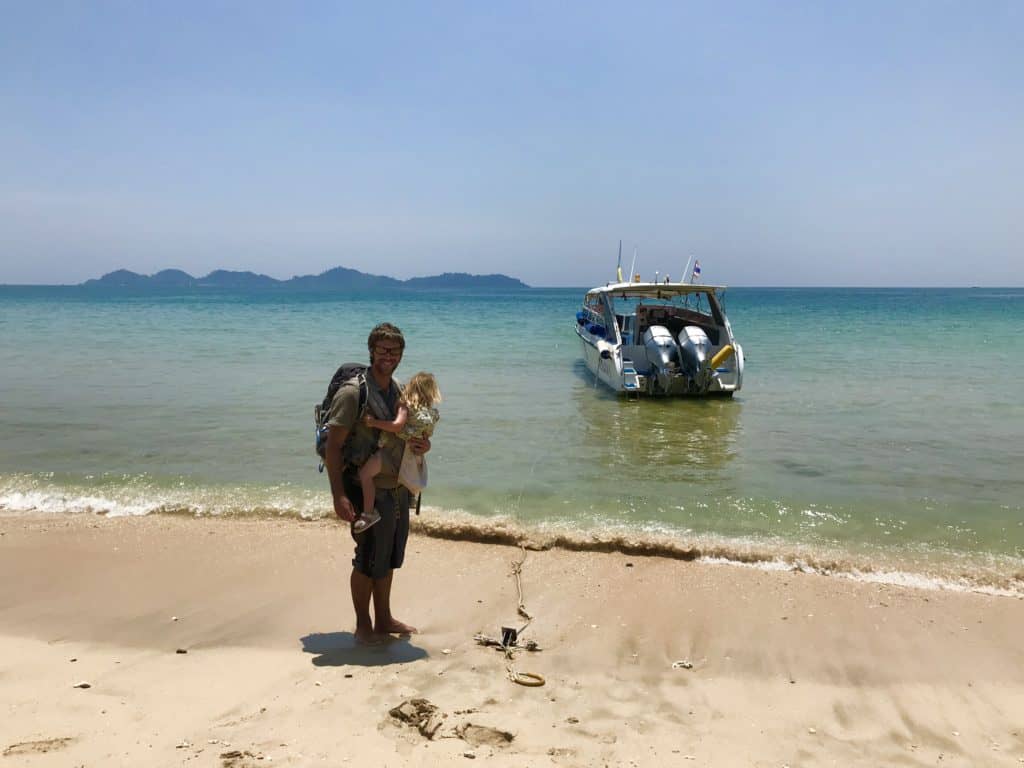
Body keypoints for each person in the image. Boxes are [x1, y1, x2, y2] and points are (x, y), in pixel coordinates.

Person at [322, 323, 430, 644]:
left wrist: (424, 446)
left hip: (395, 487)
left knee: (389, 557)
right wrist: (338, 495)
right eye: (382, 349)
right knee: (367, 558)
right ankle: (363, 624)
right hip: (364, 487)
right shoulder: (354, 393)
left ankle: (383, 618)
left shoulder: (398, 389)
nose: (388, 356)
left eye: (394, 351)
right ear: (371, 350)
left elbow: (408, 433)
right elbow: (333, 447)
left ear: (400, 355)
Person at [354, 371, 441, 534]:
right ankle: (411, 496)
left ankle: (368, 514)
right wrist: (426, 445)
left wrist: (373, 422)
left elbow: (397, 426)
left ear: (412, 387)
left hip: (392, 453)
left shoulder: (405, 404)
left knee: (365, 474)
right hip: (412, 456)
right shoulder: (430, 413)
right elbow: (425, 437)